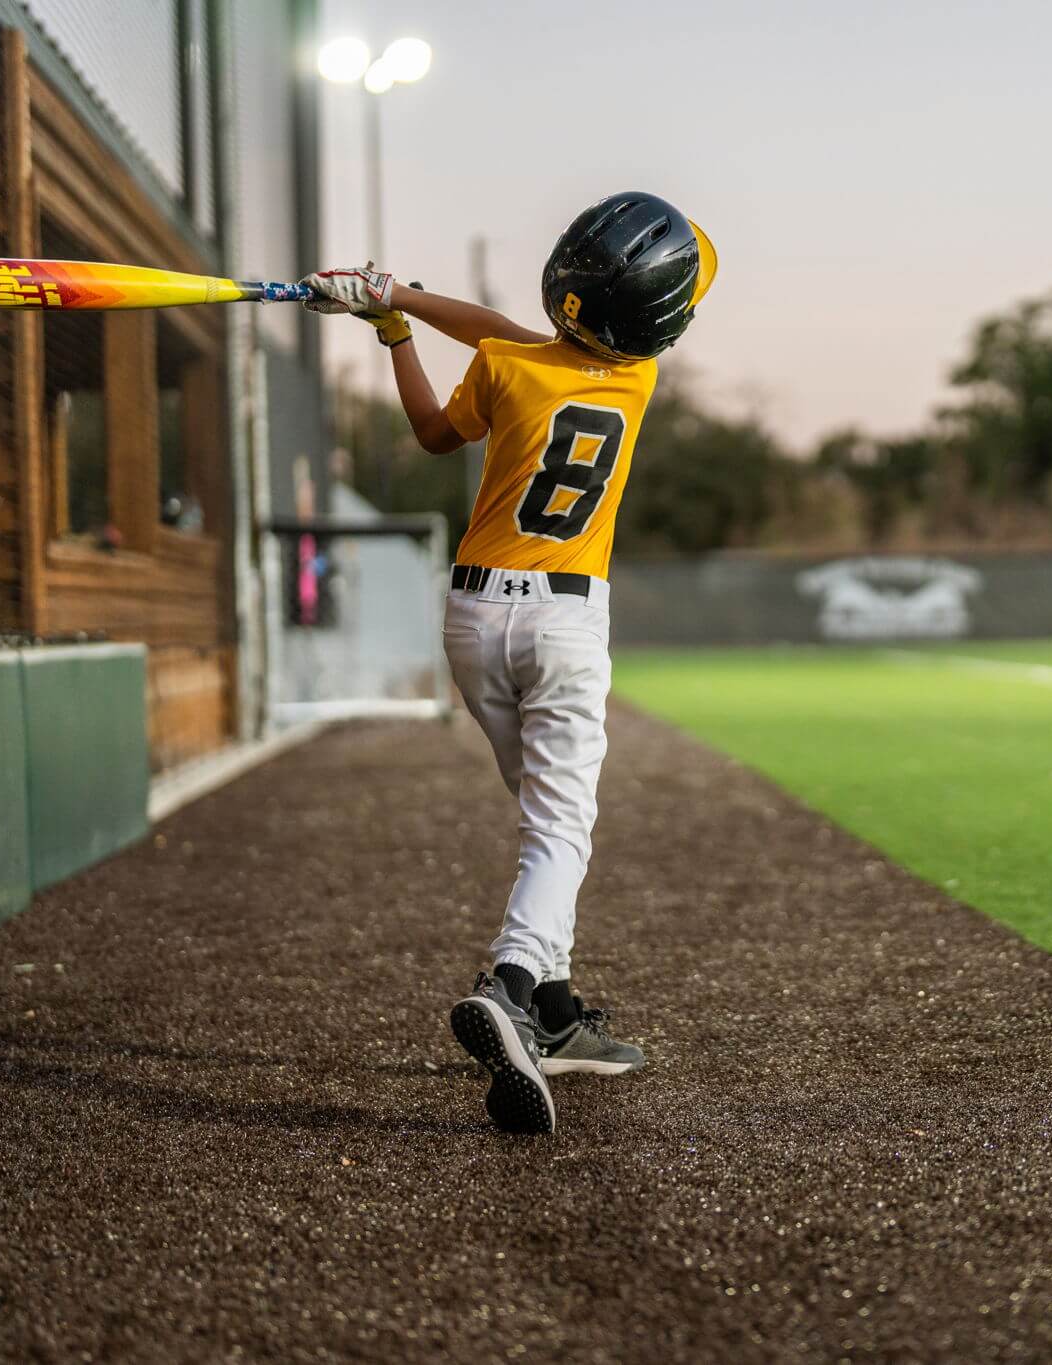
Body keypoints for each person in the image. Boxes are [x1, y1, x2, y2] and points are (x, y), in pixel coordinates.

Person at [303, 192, 717, 1134]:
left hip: (471, 617)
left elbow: (439, 427)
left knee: (544, 826)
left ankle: (560, 1014)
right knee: (560, 830)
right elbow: (521, 332)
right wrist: (395, 297)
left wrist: (393, 321)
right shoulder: (642, 372)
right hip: (565, 627)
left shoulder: (503, 366)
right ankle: (516, 980)